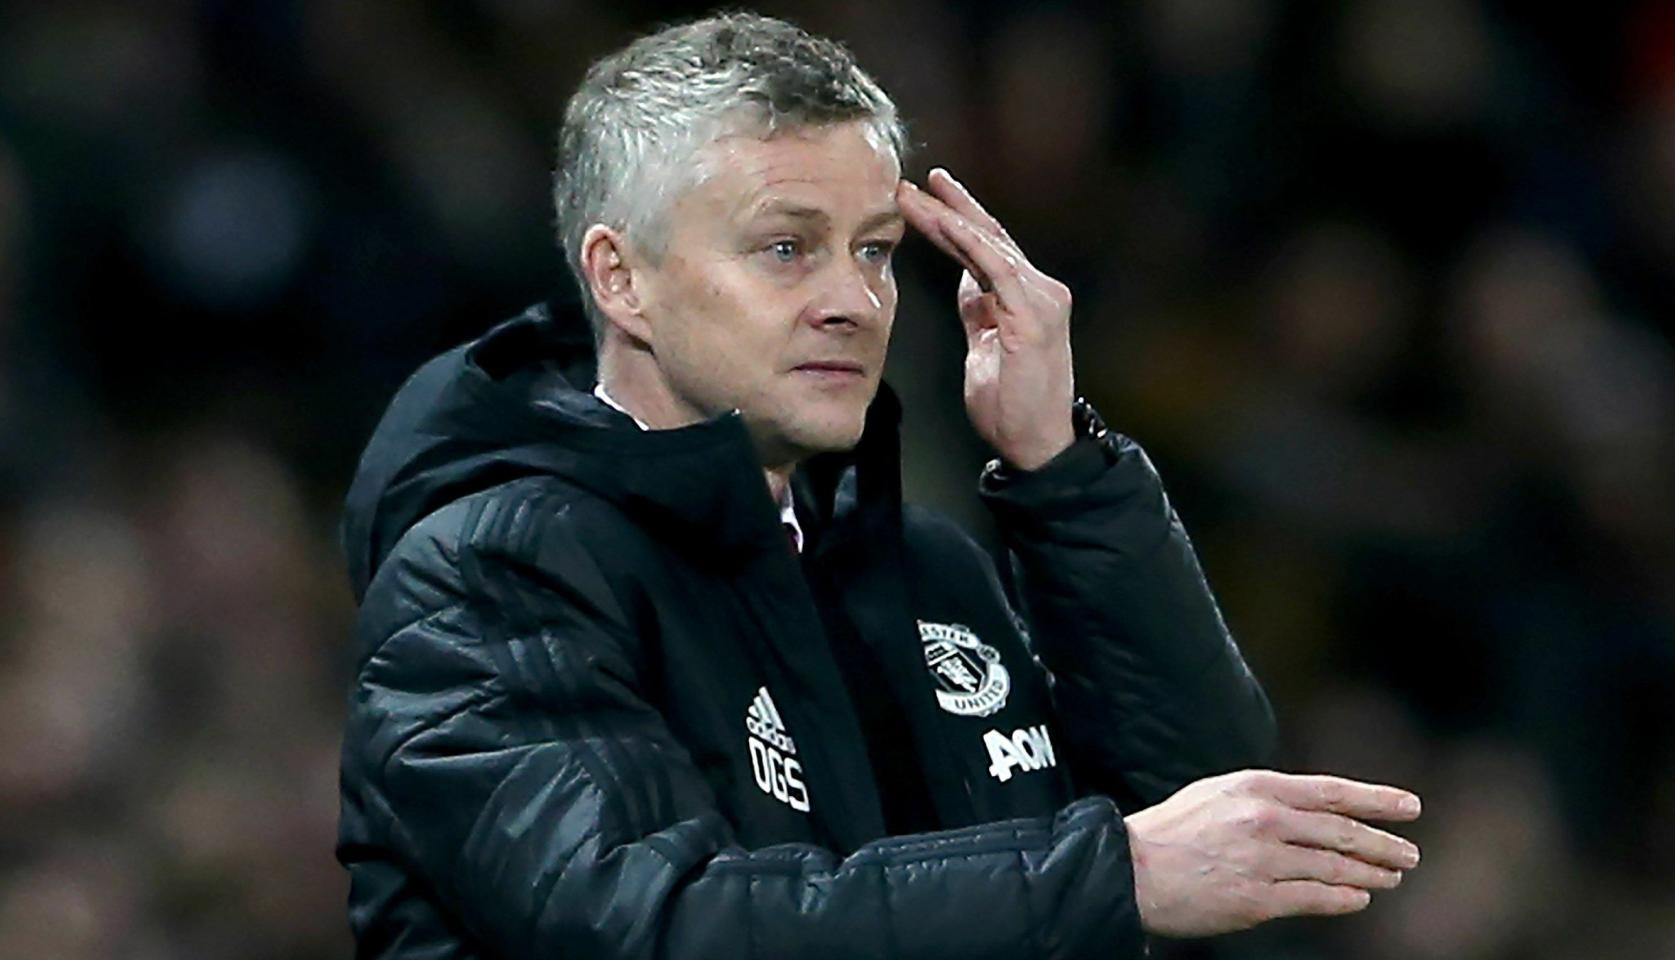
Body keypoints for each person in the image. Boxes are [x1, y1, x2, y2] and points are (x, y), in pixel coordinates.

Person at [336, 12, 1422, 959]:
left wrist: (1063, 476)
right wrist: (1110, 875)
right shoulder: (492, 575)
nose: (852, 300)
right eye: (784, 249)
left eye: (872, 250)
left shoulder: (922, 572)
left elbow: (1207, 816)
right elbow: (649, 928)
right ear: (621, 278)